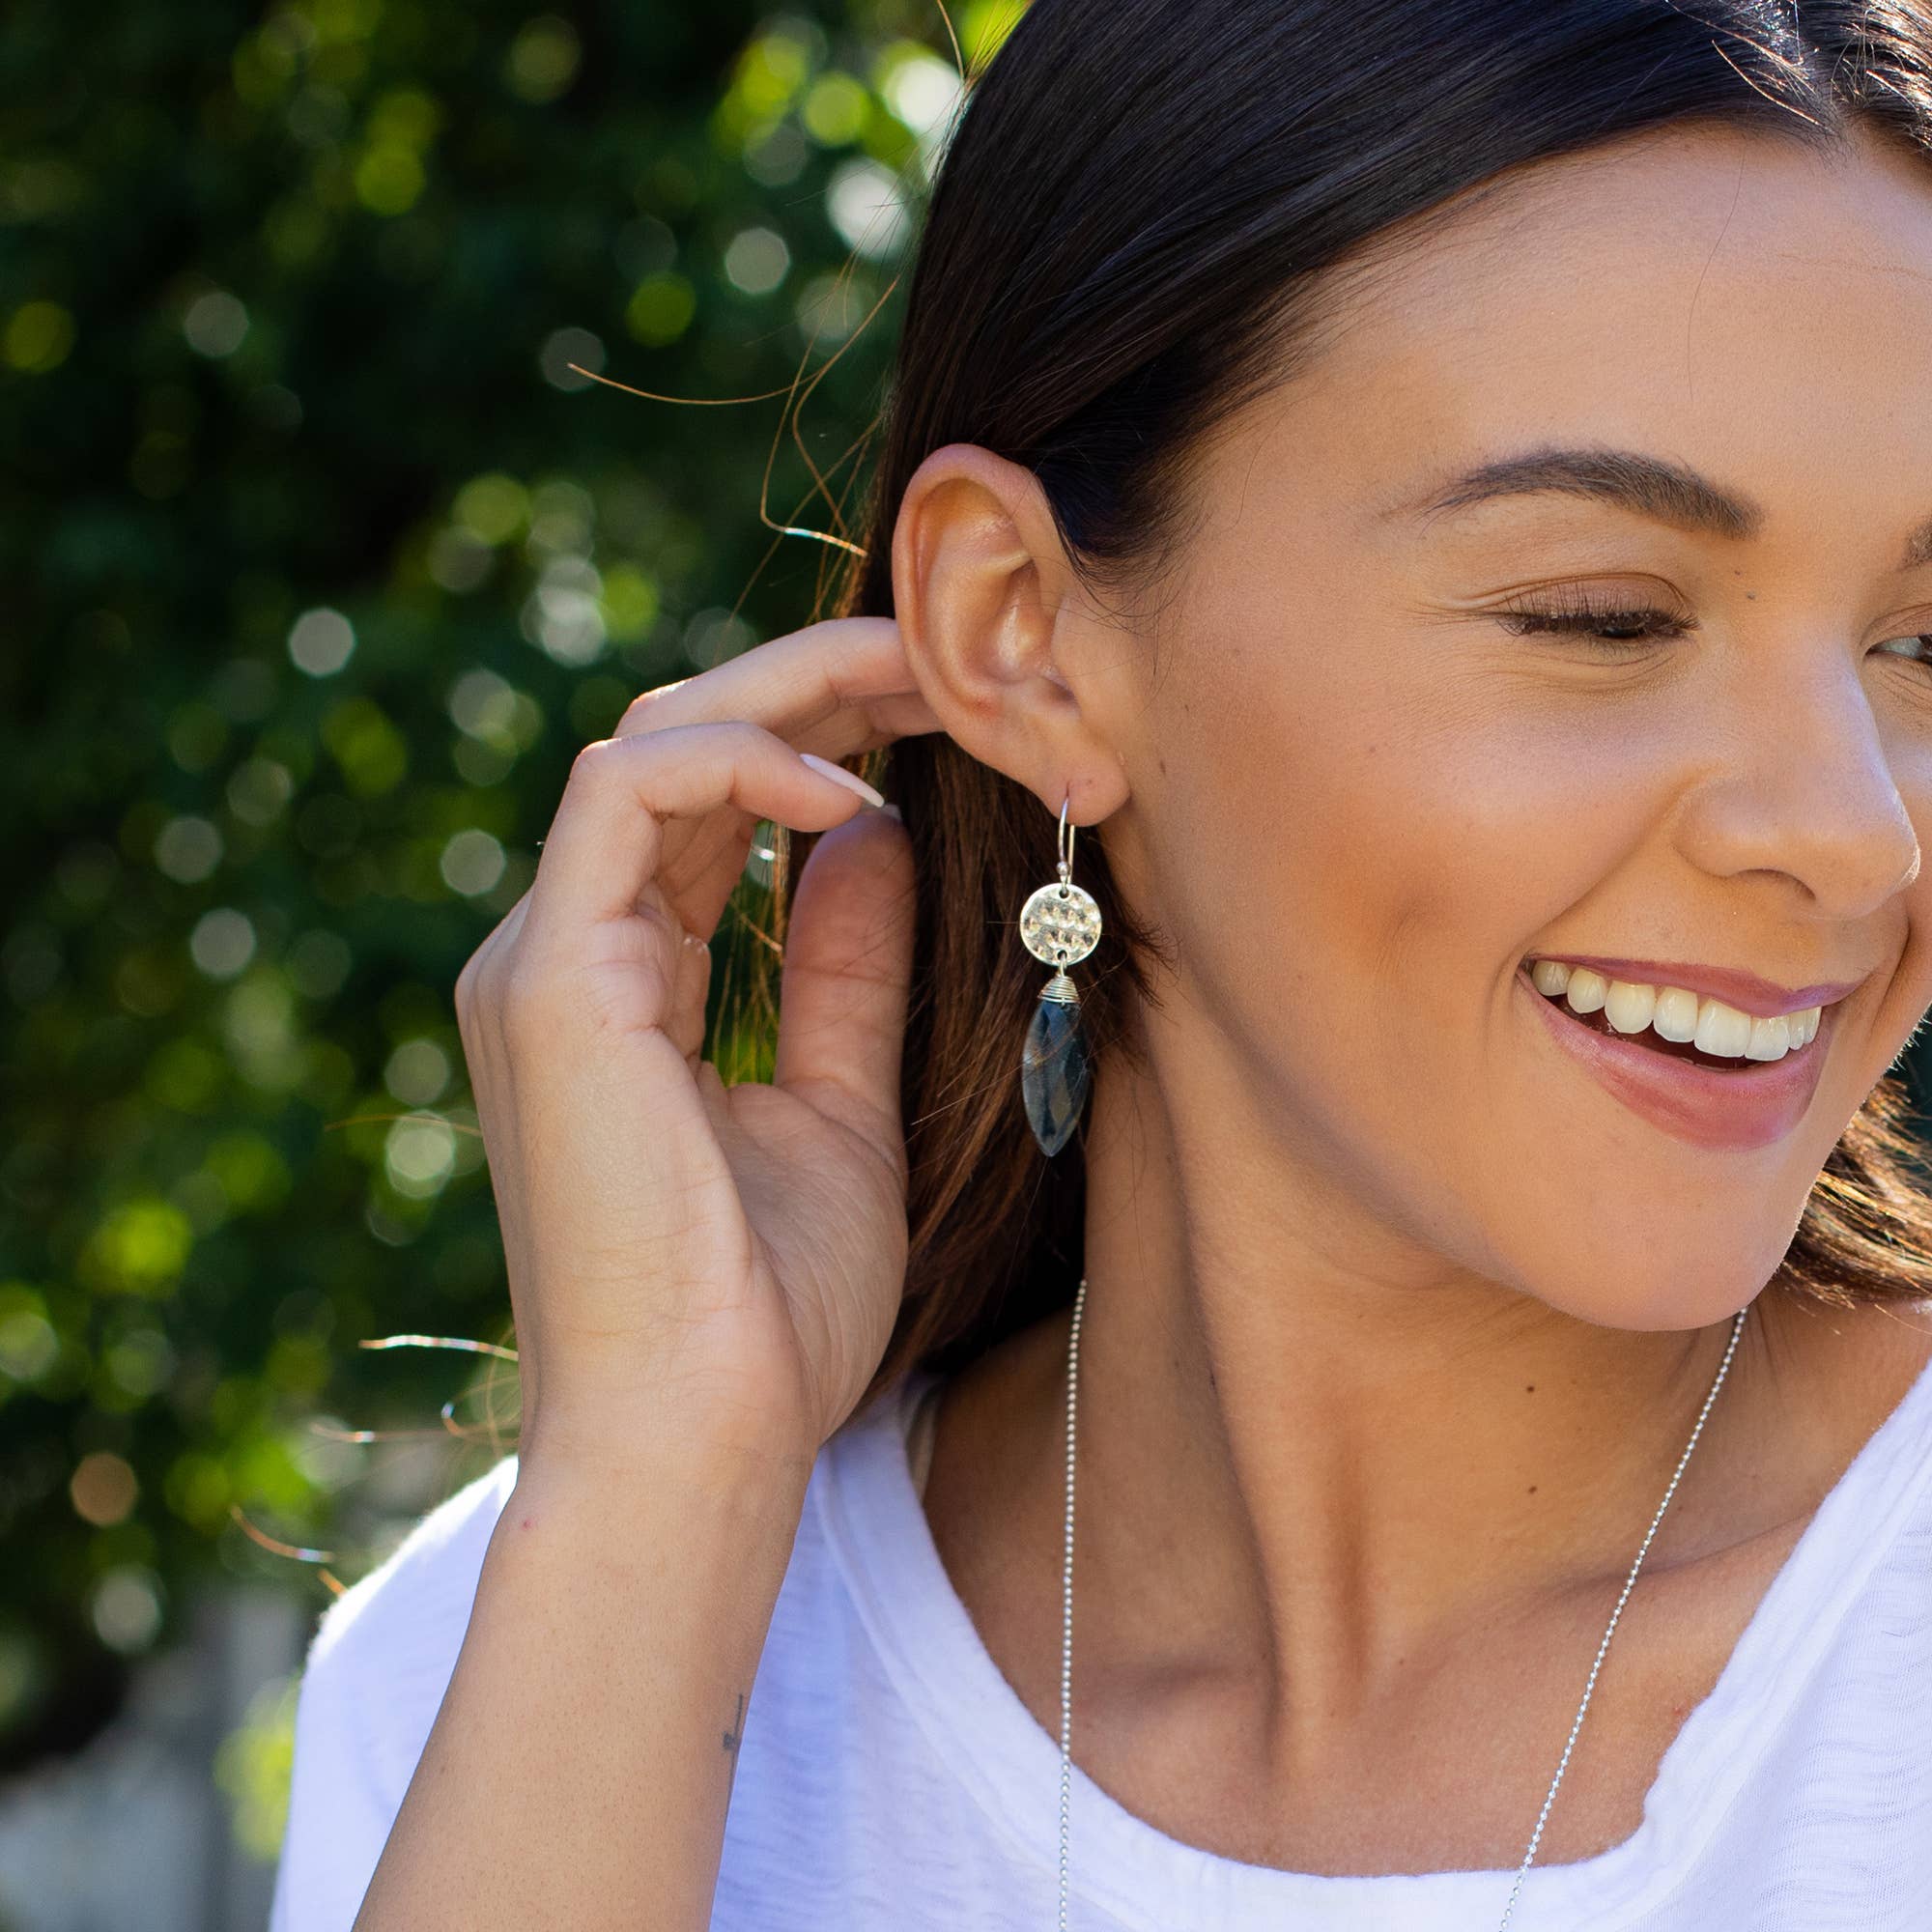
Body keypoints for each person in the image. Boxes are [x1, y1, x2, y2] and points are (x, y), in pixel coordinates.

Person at [270, 2, 1932, 1927]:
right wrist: (654, 1511)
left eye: (1923, 641)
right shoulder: (532, 1658)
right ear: (1022, 633)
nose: (1853, 831)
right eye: (1599, 615)